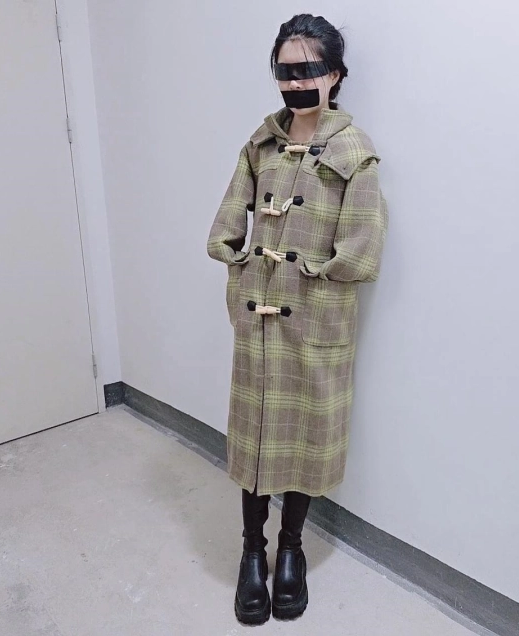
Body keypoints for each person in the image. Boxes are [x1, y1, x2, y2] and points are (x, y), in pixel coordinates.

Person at [206, 13, 388, 625]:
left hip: (316, 322)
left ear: (335, 74)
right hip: (258, 317)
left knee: (306, 435)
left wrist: (316, 273)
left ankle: (291, 550)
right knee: (255, 432)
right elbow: (228, 219)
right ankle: (250, 551)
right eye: (285, 70)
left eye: (308, 69)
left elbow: (364, 247)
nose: (295, 81)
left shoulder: (354, 153)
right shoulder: (259, 145)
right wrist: (237, 265)